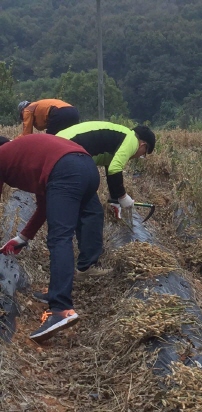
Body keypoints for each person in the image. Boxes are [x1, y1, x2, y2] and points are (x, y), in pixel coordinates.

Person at [0, 134, 105, 342]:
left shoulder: (3, 155)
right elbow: (45, 206)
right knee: (69, 230)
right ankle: (59, 290)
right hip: (88, 168)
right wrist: (22, 238)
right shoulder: (32, 156)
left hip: (67, 170)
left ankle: (61, 309)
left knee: (59, 238)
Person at [56, 121, 156, 218]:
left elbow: (110, 169)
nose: (140, 156)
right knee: (93, 213)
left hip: (59, 145)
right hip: (68, 151)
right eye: (144, 154)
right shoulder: (132, 140)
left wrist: (115, 198)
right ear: (143, 145)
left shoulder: (119, 137)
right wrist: (123, 196)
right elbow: (115, 169)